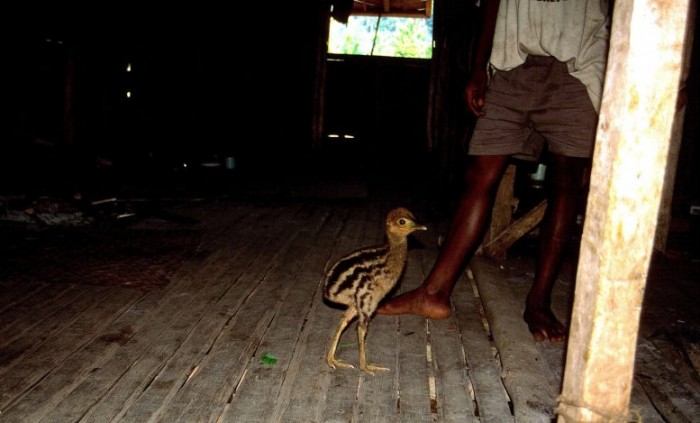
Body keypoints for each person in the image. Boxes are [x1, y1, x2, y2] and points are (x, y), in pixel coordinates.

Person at [377, 0, 611, 342]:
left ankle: (539, 301)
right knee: (479, 175)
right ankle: (434, 293)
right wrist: (478, 67)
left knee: (566, 184)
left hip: (579, 69)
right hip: (511, 64)